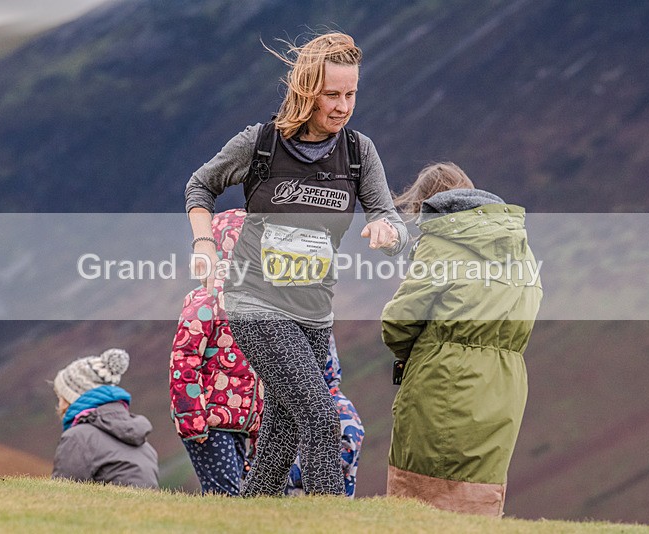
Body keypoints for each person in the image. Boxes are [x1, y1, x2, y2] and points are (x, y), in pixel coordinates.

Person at [184, 31, 408, 496]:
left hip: (314, 315)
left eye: (351, 94)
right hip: (254, 302)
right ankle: (326, 519)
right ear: (306, 91)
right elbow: (199, 186)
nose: (343, 106)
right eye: (333, 94)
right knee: (322, 418)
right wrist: (204, 243)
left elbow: (389, 219)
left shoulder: (359, 153)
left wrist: (389, 233)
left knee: (282, 431)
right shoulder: (260, 144)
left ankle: (253, 510)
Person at [380, 162, 543, 517]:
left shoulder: (440, 243)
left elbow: (399, 320)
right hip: (505, 383)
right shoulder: (523, 249)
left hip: (443, 378)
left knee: (421, 498)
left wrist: (418, 351)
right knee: (479, 494)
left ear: (426, 205)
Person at [170, 208, 264, 496]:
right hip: (210, 423)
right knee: (225, 495)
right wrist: (193, 420)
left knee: (243, 496)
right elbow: (183, 360)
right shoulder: (205, 302)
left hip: (242, 423)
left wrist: (261, 426)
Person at [51, 348, 159, 489]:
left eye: (61, 397)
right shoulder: (144, 445)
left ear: (72, 398)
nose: (59, 405)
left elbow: (61, 495)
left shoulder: (78, 438)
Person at [284, 333, 364, 498]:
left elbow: (337, 463)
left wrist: (280, 467)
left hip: (324, 511)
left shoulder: (341, 411)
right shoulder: (293, 405)